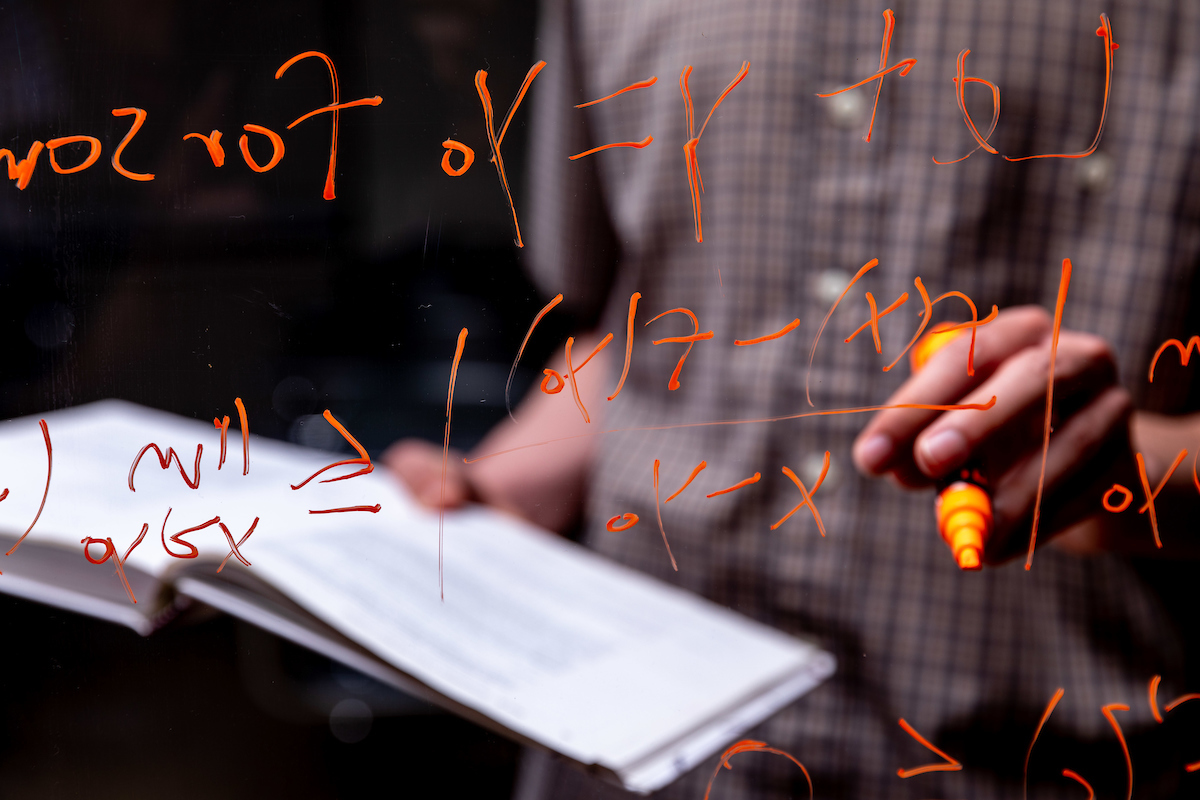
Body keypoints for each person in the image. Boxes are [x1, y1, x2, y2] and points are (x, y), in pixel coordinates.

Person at [387, 1, 1200, 797]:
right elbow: (636, 326)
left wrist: (1134, 470)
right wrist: (502, 483)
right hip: (640, 753)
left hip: (1032, 763)